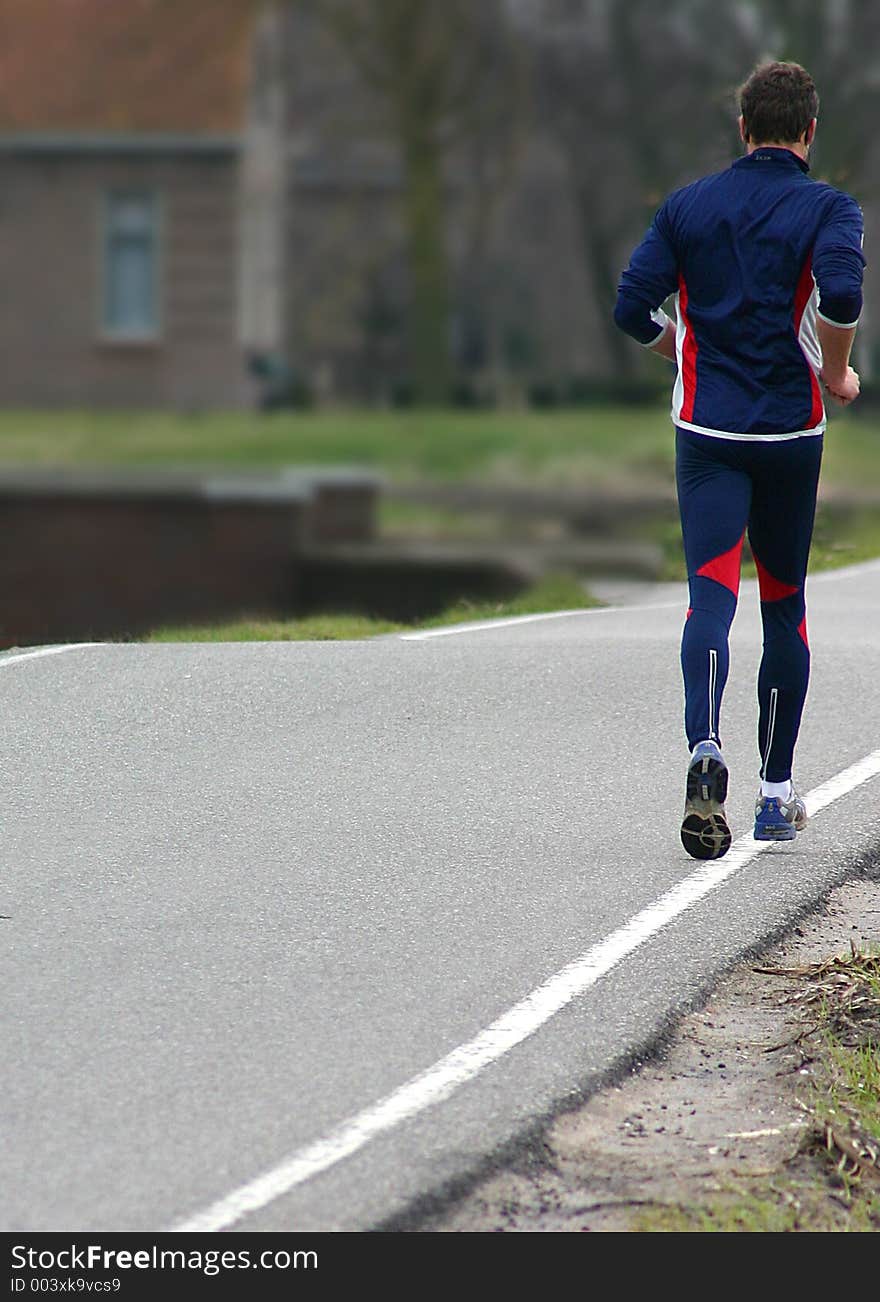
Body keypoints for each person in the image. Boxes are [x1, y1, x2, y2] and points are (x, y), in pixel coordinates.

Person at [613, 61, 865, 860]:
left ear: (743, 127)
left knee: (709, 600)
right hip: (791, 436)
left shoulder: (688, 206)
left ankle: (705, 745)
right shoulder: (829, 209)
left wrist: (678, 351)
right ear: (810, 131)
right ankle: (774, 795)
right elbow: (844, 297)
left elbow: (630, 307)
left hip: (708, 435)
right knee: (784, 606)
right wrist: (834, 371)